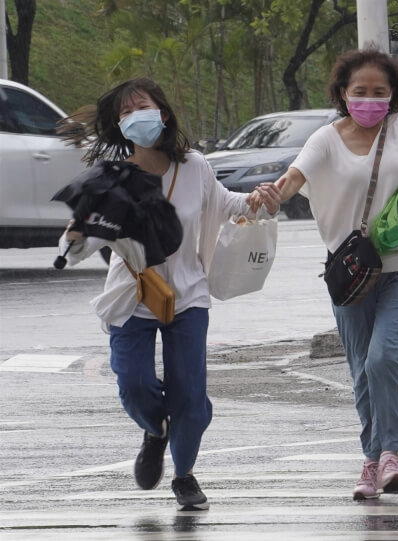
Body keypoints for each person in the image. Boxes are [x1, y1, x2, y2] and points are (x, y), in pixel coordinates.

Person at [57, 78, 281, 510]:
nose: (134, 116)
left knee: (189, 393)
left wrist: (261, 199)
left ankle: (184, 475)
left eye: (141, 106)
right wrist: (73, 235)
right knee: (134, 384)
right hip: (131, 296)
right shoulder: (111, 178)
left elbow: (229, 204)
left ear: (162, 112)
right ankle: (155, 430)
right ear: (117, 125)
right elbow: (79, 246)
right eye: (124, 112)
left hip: (189, 296)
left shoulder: (194, 166)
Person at [259, 49, 398, 500]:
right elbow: (293, 178)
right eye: (360, 92)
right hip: (349, 274)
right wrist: (273, 194)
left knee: (382, 357)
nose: (370, 100)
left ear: (393, 95)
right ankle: (371, 461)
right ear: (342, 94)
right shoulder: (325, 139)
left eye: (379, 92)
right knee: (360, 369)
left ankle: (391, 454)